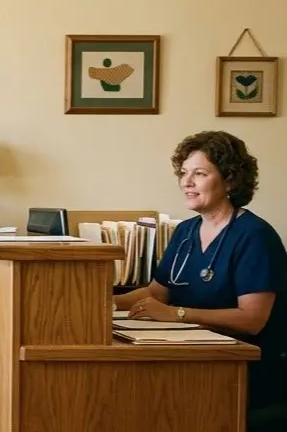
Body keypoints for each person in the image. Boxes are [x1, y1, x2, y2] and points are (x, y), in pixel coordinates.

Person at [115, 131, 287, 408]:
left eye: (200, 174)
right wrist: (106, 302)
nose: (187, 182)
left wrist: (177, 314)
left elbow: (252, 319)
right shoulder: (186, 231)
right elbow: (157, 294)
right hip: (190, 355)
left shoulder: (254, 236)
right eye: (184, 173)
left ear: (230, 179)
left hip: (240, 368)